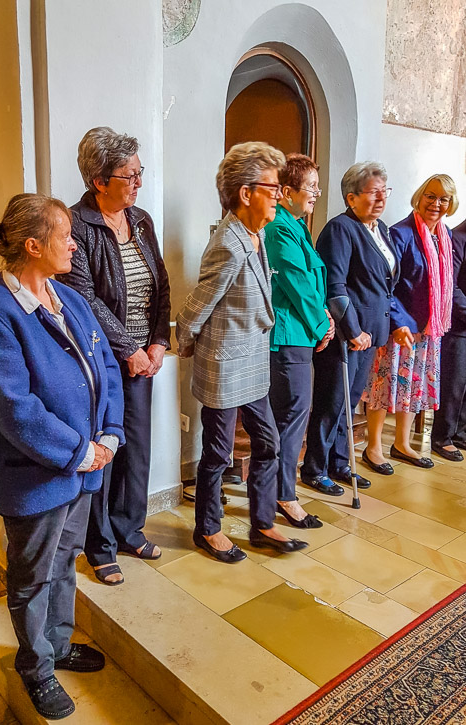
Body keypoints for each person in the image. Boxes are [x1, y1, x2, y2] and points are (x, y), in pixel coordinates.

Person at [0, 194, 124, 719]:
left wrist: (110, 433)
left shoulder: (68, 297)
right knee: (33, 575)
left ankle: (58, 646)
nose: (74, 245)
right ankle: (36, 668)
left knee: (65, 561)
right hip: (37, 475)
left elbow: (106, 366)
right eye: (65, 236)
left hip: (83, 466)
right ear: (34, 245)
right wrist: (81, 451)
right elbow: (14, 407)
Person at [176, 142, 308, 562]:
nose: (279, 196)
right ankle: (207, 529)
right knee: (218, 453)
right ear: (245, 192)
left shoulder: (257, 234)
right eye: (272, 188)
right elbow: (200, 302)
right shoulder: (229, 244)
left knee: (267, 442)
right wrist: (185, 342)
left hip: (252, 361)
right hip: (225, 366)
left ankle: (262, 523)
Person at [59, 127, 171, 585]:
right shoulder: (76, 224)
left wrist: (158, 341)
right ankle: (99, 545)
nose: (139, 182)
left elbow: (161, 283)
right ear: (99, 181)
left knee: (137, 449)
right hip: (101, 360)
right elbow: (84, 298)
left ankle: (129, 529)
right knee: (105, 450)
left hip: (144, 356)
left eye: (140, 172)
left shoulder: (140, 219)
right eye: (130, 175)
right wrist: (128, 350)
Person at [300, 162, 399, 493]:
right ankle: (315, 468)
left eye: (384, 191)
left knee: (350, 401)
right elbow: (335, 286)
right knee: (331, 402)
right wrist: (354, 330)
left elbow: (386, 284)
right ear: (351, 197)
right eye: (373, 192)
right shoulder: (340, 229)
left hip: (370, 334)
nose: (381, 198)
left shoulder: (380, 229)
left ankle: (340, 463)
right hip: (345, 334)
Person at [363, 174, 457, 471]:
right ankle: (373, 447)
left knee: (414, 387)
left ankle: (402, 444)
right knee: (385, 386)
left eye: (443, 199)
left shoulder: (444, 235)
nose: (436, 203)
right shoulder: (400, 233)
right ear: (420, 196)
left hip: (430, 327)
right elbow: (386, 284)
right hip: (400, 327)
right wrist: (399, 322)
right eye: (431, 196)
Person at [265, 153, 334, 528]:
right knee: (291, 417)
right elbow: (296, 283)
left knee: (291, 417)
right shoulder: (279, 227)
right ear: (287, 190)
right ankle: (283, 495)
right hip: (289, 335)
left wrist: (323, 318)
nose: (316, 194)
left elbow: (313, 282)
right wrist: (321, 323)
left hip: (301, 333)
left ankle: (276, 491)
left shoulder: (296, 224)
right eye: (311, 187)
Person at [431, 217, 466, 460]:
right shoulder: (457, 237)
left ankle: (461, 434)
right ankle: (442, 437)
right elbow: (450, 286)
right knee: (454, 384)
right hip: (457, 324)